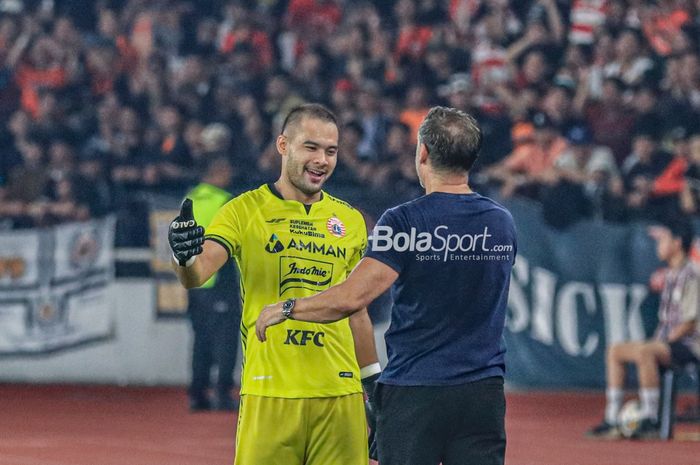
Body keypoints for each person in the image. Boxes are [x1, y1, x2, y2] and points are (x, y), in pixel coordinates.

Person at [257, 106, 517, 465]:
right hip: (482, 393)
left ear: (422, 152)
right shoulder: (501, 222)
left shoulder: (405, 221)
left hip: (415, 391)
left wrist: (288, 308)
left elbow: (352, 297)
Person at [168, 103, 379, 465]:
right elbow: (198, 273)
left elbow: (355, 308)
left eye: (331, 151)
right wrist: (183, 257)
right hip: (270, 394)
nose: (322, 160)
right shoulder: (243, 210)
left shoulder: (350, 220)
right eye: (310, 147)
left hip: (340, 395)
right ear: (283, 146)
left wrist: (373, 387)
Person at [587, 217, 700, 439]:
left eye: (663, 240)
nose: (658, 246)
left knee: (645, 351)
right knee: (615, 350)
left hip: (689, 345)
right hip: (668, 342)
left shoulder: (691, 275)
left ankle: (650, 417)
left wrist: (660, 343)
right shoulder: (669, 275)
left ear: (677, 243)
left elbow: (689, 322)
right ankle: (612, 417)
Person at [184, 156, 241, 411]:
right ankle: (222, 392)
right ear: (217, 171)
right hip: (219, 278)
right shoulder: (226, 202)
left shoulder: (191, 198)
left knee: (201, 339)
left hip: (194, 280)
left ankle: (197, 393)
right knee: (226, 339)